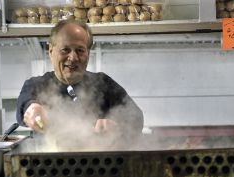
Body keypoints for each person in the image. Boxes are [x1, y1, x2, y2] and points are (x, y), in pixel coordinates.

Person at [16, 19, 144, 138]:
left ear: (88, 53)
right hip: (50, 159)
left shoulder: (103, 83)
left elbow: (136, 118)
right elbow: (25, 105)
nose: (73, 58)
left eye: (80, 50)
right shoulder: (36, 85)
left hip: (96, 158)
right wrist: (32, 109)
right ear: (51, 51)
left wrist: (117, 126)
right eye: (65, 50)